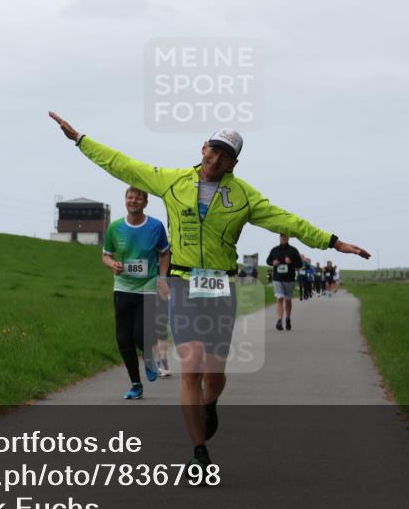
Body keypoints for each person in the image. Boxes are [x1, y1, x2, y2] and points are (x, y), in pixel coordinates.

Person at [47, 112, 370, 477]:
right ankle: (198, 452)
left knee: (213, 374)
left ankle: (210, 404)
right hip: (184, 282)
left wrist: (332, 241)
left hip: (220, 285)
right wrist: (81, 140)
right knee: (192, 365)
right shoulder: (172, 182)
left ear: (233, 162)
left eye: (224, 154)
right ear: (202, 148)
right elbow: (124, 166)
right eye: (212, 149)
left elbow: (286, 221)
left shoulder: (244, 196)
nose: (215, 158)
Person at [102, 186, 170, 399]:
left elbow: (165, 253)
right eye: (130, 197)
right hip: (122, 287)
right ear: (125, 200)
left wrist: (162, 278)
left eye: (138, 198)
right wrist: (112, 264)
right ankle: (136, 384)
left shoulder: (156, 227)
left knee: (140, 335)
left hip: (147, 288)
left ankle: (148, 355)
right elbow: (106, 255)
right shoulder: (114, 227)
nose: (133, 201)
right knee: (123, 339)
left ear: (145, 203)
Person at [267, 234, 302, 330]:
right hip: (277, 278)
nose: (283, 238)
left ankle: (288, 318)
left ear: (288, 238)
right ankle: (279, 320)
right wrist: (272, 263)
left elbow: (300, 264)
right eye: (281, 236)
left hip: (289, 279)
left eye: (285, 236)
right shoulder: (274, 250)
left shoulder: (293, 250)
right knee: (279, 298)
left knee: (287, 300)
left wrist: (291, 262)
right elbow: (268, 261)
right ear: (279, 238)